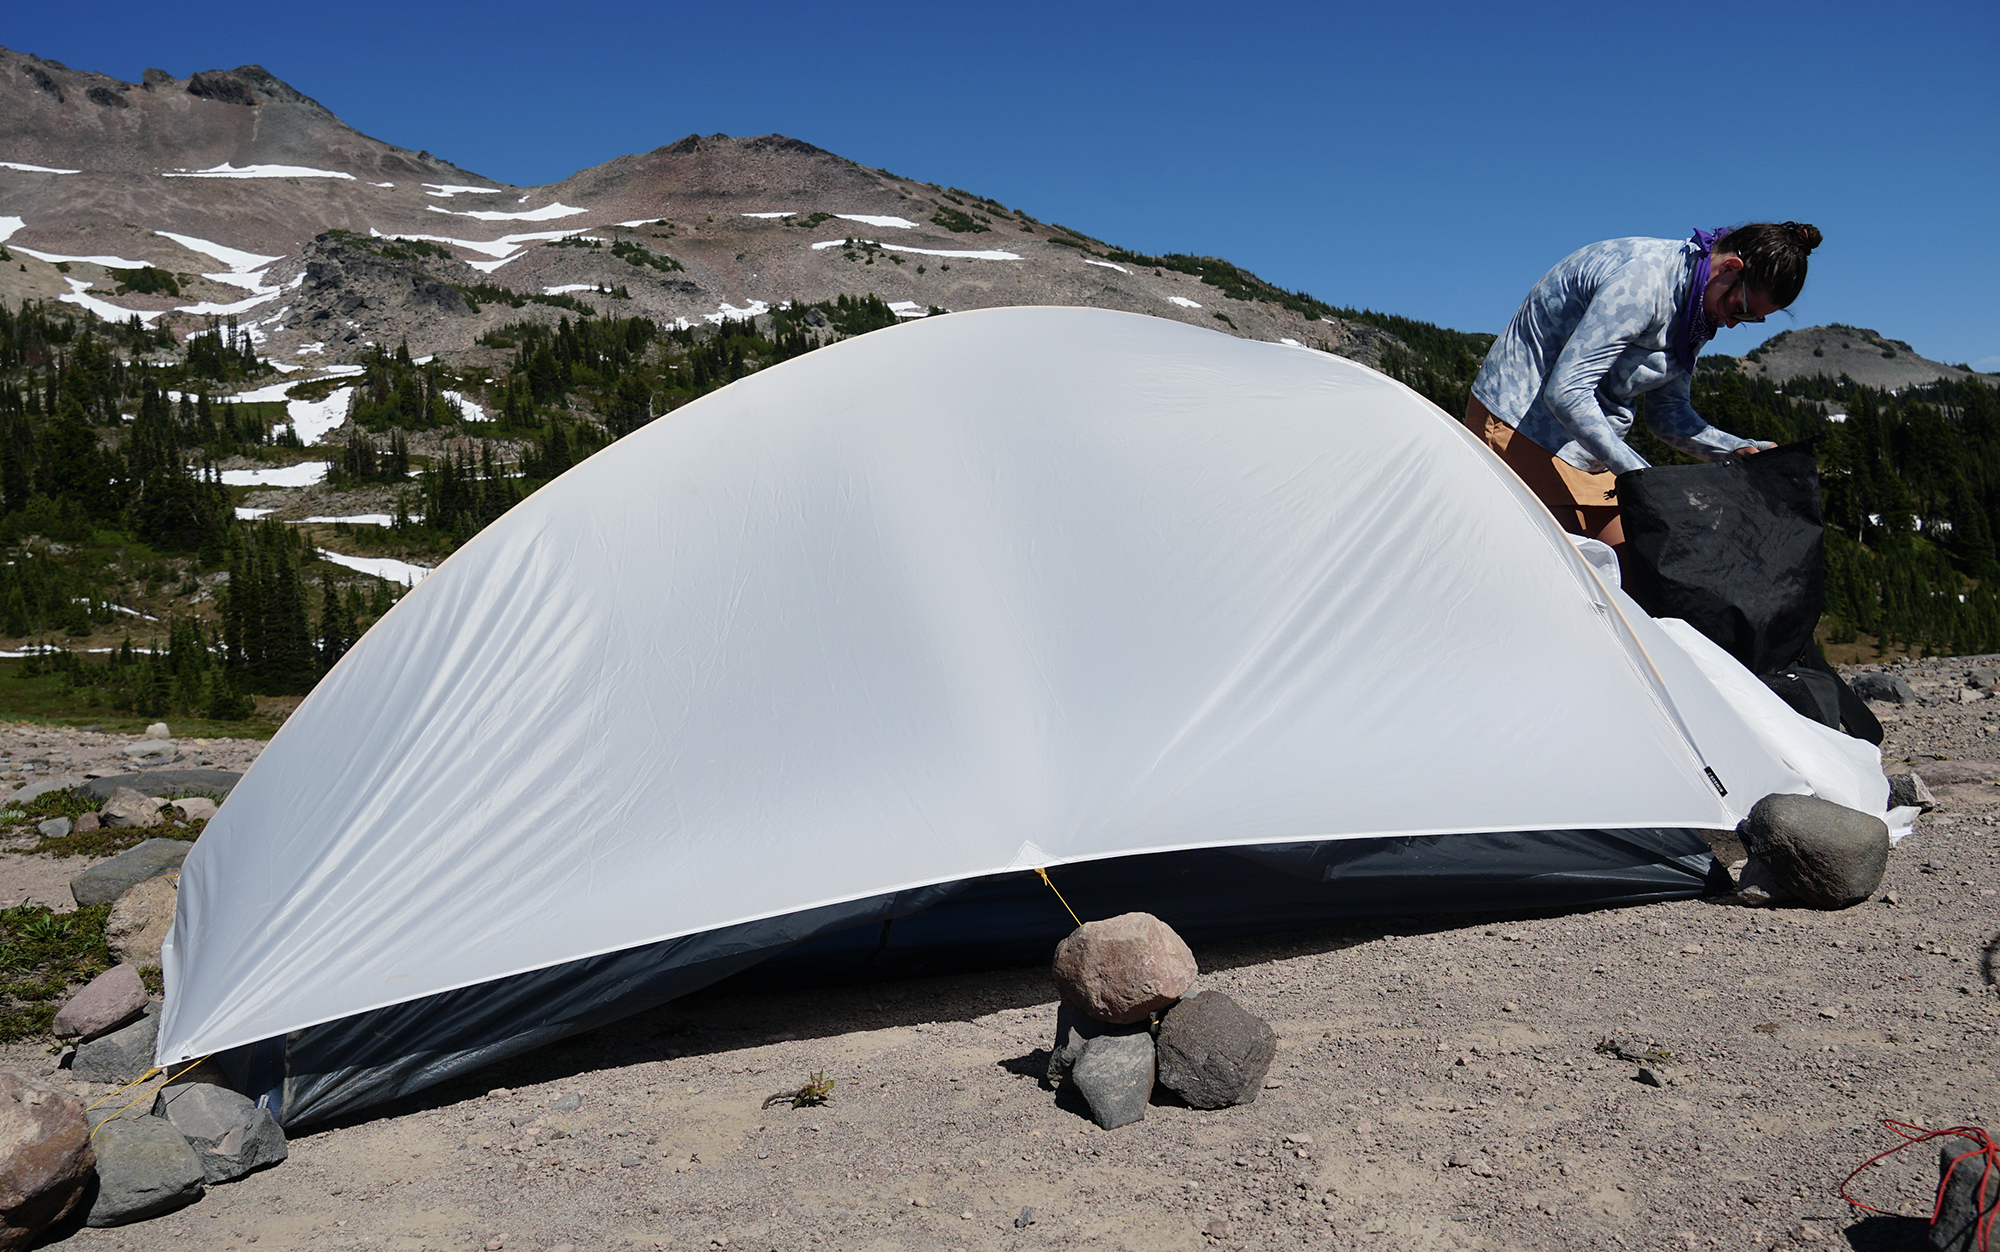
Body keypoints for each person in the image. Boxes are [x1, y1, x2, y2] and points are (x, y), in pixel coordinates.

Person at [1464, 222, 1822, 548]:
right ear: (1730, 269)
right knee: (1570, 583)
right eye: (1740, 309)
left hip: (1588, 450)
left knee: (1635, 572)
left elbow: (1667, 413)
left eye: (1751, 320)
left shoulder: (1699, 308)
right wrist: (1644, 478)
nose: (1732, 323)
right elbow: (1567, 391)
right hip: (1521, 428)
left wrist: (1735, 450)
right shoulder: (1643, 282)